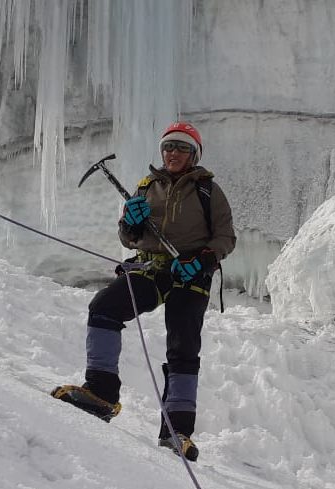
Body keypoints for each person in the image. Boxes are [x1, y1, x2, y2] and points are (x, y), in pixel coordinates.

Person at [52, 122, 236, 462]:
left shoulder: (209, 191)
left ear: (194, 154)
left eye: (181, 148)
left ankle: (177, 430)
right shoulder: (146, 186)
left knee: (183, 344)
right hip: (151, 269)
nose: (172, 153)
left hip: (190, 274)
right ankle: (101, 393)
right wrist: (130, 223)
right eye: (168, 147)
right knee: (104, 307)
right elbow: (128, 238)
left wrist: (203, 259)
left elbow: (226, 238)